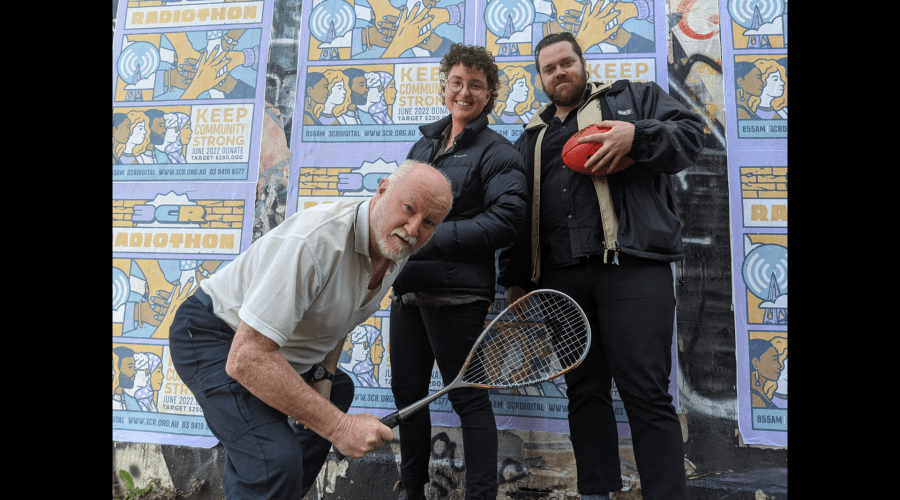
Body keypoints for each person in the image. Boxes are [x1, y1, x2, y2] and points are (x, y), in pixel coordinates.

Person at [168, 160, 453, 500]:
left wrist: (322, 376)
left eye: (429, 222)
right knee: (272, 460)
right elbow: (247, 357)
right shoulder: (316, 242)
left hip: (270, 349)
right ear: (382, 191)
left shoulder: (394, 246)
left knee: (337, 391)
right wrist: (340, 428)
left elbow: (342, 315)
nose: (412, 228)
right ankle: (267, 479)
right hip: (216, 335)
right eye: (408, 209)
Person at [498, 32, 704, 500]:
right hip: (561, 279)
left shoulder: (634, 99)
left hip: (630, 268)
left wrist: (638, 134)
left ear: (582, 63)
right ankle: (596, 492)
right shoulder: (531, 137)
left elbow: (691, 136)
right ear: (540, 79)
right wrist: (515, 278)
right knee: (584, 393)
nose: (559, 73)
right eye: (549, 69)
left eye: (566, 63)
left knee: (646, 392)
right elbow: (521, 212)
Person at [390, 43, 527, 500]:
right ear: (444, 85)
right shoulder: (424, 144)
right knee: (408, 399)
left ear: (489, 95)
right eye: (456, 82)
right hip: (409, 288)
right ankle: (412, 490)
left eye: (476, 85)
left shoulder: (498, 152)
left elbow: (507, 220)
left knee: (468, 398)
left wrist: (433, 236)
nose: (464, 92)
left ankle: (481, 495)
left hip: (456, 296)